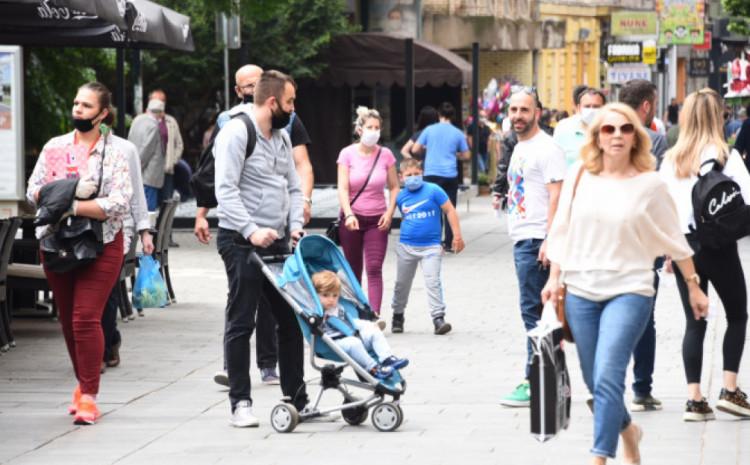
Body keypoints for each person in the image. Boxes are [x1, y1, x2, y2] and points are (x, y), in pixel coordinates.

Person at [542, 102, 709, 464]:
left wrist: (693, 284)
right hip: (581, 291)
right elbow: (562, 229)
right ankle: (629, 431)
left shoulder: (650, 184)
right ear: (597, 137)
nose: (617, 135)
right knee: (594, 378)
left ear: (636, 136)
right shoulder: (579, 176)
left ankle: (600, 457)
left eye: (625, 129)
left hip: (630, 289)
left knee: (608, 374)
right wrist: (555, 278)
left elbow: (674, 237)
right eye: (608, 129)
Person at [26, 82, 132, 425]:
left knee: (86, 317)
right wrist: (69, 194)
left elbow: (119, 202)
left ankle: (89, 395)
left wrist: (72, 205)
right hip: (57, 244)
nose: (78, 110)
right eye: (76, 103)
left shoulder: (116, 152)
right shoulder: (55, 147)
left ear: (103, 113)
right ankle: (83, 383)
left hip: (102, 243)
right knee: (69, 322)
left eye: (86, 106)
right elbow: (33, 192)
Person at [214, 70, 311, 427]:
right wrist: (252, 230)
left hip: (278, 242)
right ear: (272, 102)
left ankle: (297, 398)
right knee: (242, 320)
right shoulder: (236, 132)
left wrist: (296, 227)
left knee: (290, 319)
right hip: (241, 242)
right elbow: (225, 190)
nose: (293, 109)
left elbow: (293, 186)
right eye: (290, 102)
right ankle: (240, 403)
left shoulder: (282, 137)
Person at [660, 88, 750, 421]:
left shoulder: (670, 160)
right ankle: (729, 389)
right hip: (720, 246)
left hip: (685, 248)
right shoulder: (727, 156)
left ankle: (694, 399)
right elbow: (746, 198)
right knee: (737, 315)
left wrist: (670, 252)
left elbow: (663, 210)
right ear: (718, 117)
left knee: (694, 322)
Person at [494, 88, 565, 408]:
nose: (518, 116)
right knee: (540, 313)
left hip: (536, 241)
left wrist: (550, 239)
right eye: (513, 110)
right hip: (524, 237)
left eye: (524, 110)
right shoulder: (521, 147)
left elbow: (557, 195)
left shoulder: (546, 148)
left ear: (537, 112)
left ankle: (534, 382)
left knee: (534, 315)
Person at [618, 78, 669, 411]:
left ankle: (605, 386)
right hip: (643, 239)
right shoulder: (655, 140)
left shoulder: (602, 135)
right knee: (642, 317)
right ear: (647, 106)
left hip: (607, 238)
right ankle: (641, 389)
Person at [390, 158, 465, 335]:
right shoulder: (401, 196)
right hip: (407, 246)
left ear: (422, 173)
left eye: (417, 174)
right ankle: (398, 315)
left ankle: (438, 318)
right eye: (409, 175)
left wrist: (457, 236)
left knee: (433, 281)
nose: (413, 178)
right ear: (401, 177)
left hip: (431, 247)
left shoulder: (434, 190)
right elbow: (403, 216)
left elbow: (450, 210)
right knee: (402, 283)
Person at [337, 106, 399, 315]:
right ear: (360, 129)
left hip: (377, 219)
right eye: (370, 127)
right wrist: (348, 213)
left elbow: (394, 186)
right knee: (353, 270)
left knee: (374, 268)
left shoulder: (386, 155)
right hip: (352, 219)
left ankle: (374, 315)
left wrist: (389, 213)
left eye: (377, 128)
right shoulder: (347, 154)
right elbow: (343, 187)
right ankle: (355, 313)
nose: (374, 131)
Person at [100, 132, 154, 369]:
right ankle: (108, 341)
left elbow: (137, 192)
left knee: (109, 290)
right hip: (82, 230)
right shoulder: (70, 146)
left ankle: (104, 348)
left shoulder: (125, 149)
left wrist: (145, 231)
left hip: (119, 228)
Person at [312, 271, 408, 379]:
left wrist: (369, 325)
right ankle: (373, 368)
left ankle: (387, 358)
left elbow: (352, 322)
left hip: (350, 336)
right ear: (315, 295)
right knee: (354, 343)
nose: (331, 299)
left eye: (335, 296)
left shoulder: (338, 308)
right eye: (325, 295)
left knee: (374, 332)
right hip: (333, 344)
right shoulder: (317, 313)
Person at [410, 102, 470, 251]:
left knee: (432, 208)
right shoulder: (458, 133)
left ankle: (434, 242)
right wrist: (455, 155)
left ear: (439, 115)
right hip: (450, 174)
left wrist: (427, 152)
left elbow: (414, 149)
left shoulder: (429, 130)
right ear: (453, 116)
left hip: (431, 174)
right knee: (450, 209)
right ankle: (449, 243)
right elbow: (467, 155)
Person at [128, 98, 165, 212]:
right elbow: (147, 150)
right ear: (159, 113)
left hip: (136, 169)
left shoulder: (137, 120)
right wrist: (137, 168)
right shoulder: (153, 126)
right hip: (149, 174)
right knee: (148, 210)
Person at [553, 87, 606, 166]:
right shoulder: (563, 127)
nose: (591, 110)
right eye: (587, 106)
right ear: (578, 108)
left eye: (596, 107)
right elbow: (554, 161)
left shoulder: (612, 129)